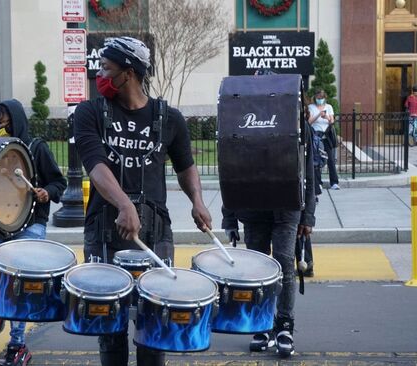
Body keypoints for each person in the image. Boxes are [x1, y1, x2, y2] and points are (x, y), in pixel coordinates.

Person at [74, 36, 212, 366]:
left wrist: (198, 201)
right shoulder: (89, 112)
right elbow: (96, 166)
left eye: (107, 68)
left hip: (155, 232)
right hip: (104, 231)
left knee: (155, 324)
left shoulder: (170, 118)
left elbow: (186, 166)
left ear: (130, 71)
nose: (100, 75)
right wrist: (123, 204)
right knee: (110, 327)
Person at [222, 94, 316, 358]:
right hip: (254, 207)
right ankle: (263, 324)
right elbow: (231, 169)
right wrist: (229, 217)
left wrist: (308, 215)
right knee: (258, 270)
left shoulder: (298, 125)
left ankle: (284, 326)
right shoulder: (242, 124)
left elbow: (309, 171)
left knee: (285, 262)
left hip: (287, 206)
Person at [0, 99, 67, 366]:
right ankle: (0, 309)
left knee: (18, 292)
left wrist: (46, 192)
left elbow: (58, 182)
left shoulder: (36, 149)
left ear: (15, 121)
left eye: (1, 122)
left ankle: (18, 346)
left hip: (30, 225)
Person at [308, 89, 339, 190]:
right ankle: (318, 183)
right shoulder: (311, 107)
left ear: (325, 98)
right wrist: (318, 115)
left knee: (330, 160)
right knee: (317, 160)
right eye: (318, 98)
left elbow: (332, 121)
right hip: (316, 136)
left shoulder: (329, 107)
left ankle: (334, 182)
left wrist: (326, 116)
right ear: (315, 98)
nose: (320, 100)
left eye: (321, 98)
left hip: (327, 136)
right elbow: (309, 121)